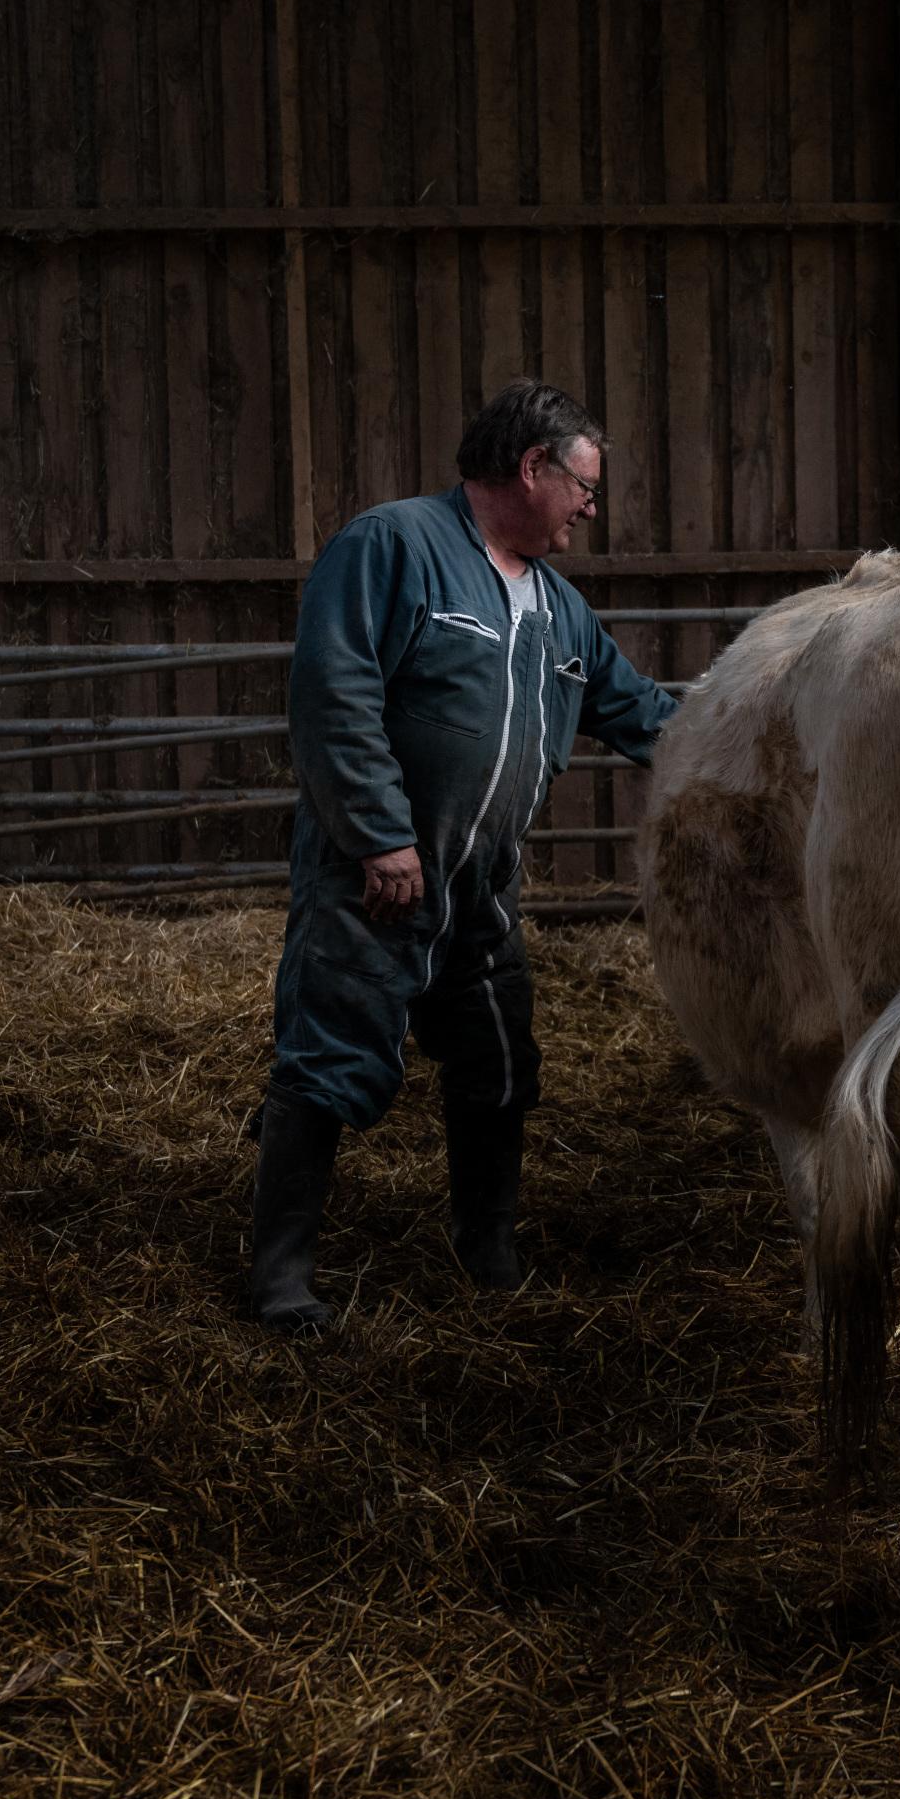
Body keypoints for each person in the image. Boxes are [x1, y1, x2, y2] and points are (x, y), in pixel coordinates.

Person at [249, 380, 677, 1330]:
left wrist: (760, 736)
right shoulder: (394, 546)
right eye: (583, 485)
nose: (590, 507)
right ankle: (281, 1280)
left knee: (496, 1063)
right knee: (328, 1060)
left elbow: (642, 711)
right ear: (532, 469)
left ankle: (487, 1255)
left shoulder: (561, 611)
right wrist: (380, 836)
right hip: (376, 879)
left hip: (480, 892)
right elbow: (334, 690)